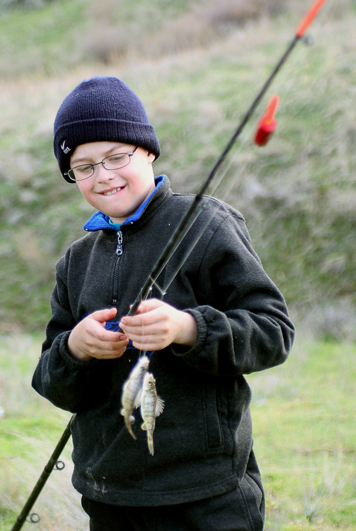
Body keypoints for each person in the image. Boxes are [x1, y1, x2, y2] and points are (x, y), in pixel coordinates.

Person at [32, 76, 295, 531]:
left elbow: (273, 331)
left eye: (117, 157)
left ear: (147, 151)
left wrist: (189, 329)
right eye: (85, 167)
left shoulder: (209, 224)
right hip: (109, 496)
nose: (104, 175)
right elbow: (53, 384)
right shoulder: (73, 263)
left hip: (208, 494)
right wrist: (75, 347)